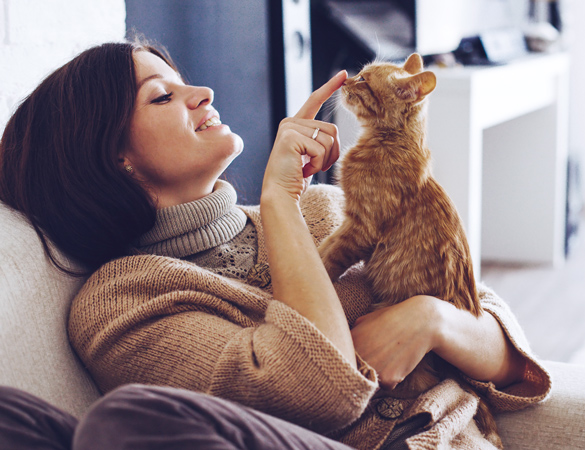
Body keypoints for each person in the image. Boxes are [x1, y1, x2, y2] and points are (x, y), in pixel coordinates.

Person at [0, 38, 551, 449]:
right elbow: (320, 387)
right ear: (114, 157)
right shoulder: (120, 301)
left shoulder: (324, 210)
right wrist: (279, 200)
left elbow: (506, 356)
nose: (203, 93)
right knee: (110, 423)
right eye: (163, 96)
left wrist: (430, 319)